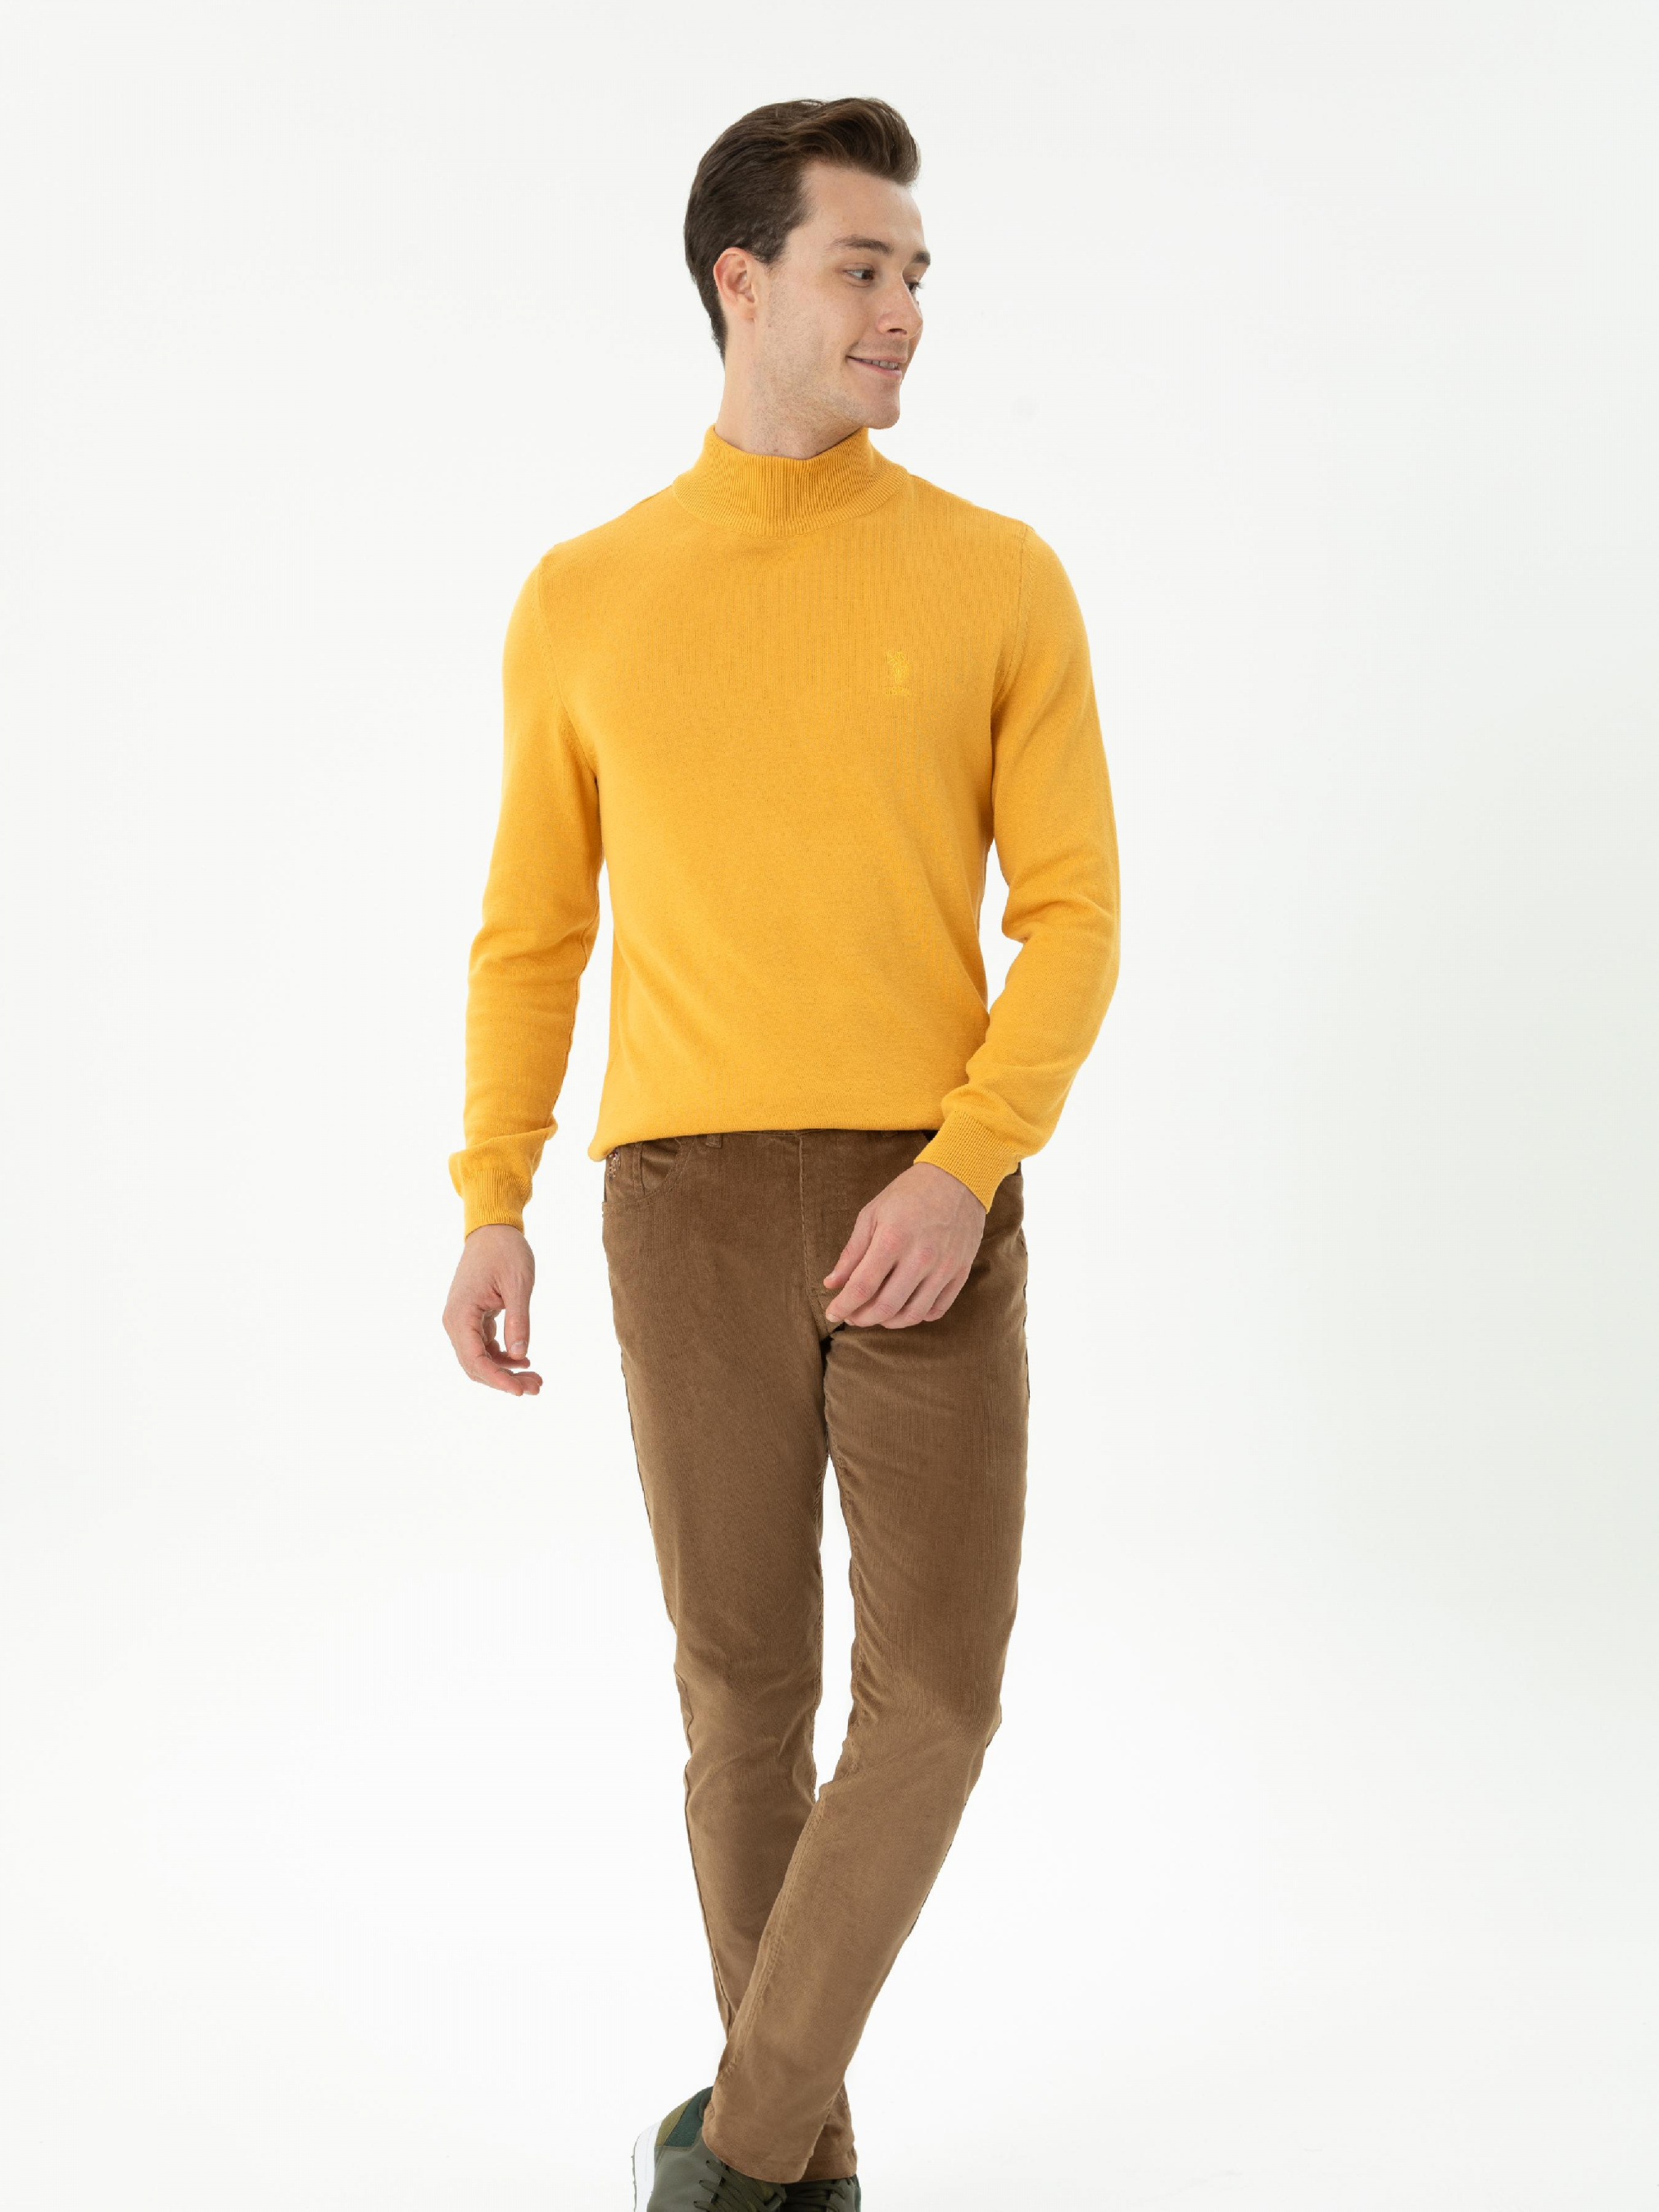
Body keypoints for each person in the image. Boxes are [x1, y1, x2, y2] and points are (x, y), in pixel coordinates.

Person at [442, 95, 1121, 2212]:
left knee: (938, 1698)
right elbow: (533, 928)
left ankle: (732, 2153)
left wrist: (966, 1163)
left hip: (931, 1194)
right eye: (862, 267)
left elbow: (1076, 914)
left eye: (915, 273)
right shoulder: (585, 595)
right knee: (743, 1697)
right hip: (683, 1201)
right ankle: (798, 2170)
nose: (902, 308)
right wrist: (489, 1195)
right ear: (741, 283)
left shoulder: (997, 573)